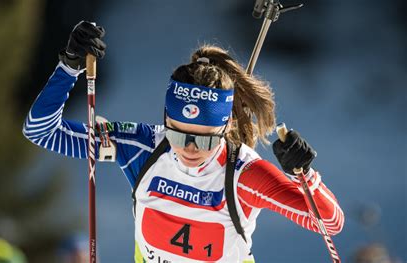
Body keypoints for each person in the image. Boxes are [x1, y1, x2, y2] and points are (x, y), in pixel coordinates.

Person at [23, 21, 344, 262]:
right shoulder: (143, 148)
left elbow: (329, 223)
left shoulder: (244, 174)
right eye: (177, 134)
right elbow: (41, 130)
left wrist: (304, 177)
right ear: (165, 122)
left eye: (204, 141)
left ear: (226, 127)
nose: (189, 149)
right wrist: (69, 66)